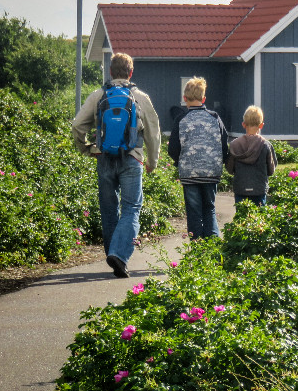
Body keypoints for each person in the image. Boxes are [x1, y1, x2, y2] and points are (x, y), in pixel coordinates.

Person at [72, 52, 161, 279]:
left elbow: (77, 126)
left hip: (104, 158)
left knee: (109, 209)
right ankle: (119, 255)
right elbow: (153, 132)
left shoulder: (98, 95)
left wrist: (87, 149)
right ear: (131, 72)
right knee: (131, 208)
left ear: (110, 72)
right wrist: (152, 160)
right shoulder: (140, 96)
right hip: (132, 159)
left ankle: (113, 254)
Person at [168, 77, 229, 240]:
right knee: (209, 208)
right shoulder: (215, 117)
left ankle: (197, 248)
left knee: (194, 211)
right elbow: (224, 143)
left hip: (189, 173)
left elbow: (173, 148)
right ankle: (213, 245)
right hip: (211, 171)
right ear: (204, 99)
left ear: (184, 99)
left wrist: (179, 161)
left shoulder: (181, 119)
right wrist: (219, 160)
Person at [226, 105, 277, 206]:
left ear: (243, 124)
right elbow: (271, 170)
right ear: (261, 125)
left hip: (240, 188)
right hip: (259, 189)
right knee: (259, 219)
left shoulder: (234, 145)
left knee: (241, 218)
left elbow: (229, 169)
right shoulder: (265, 145)